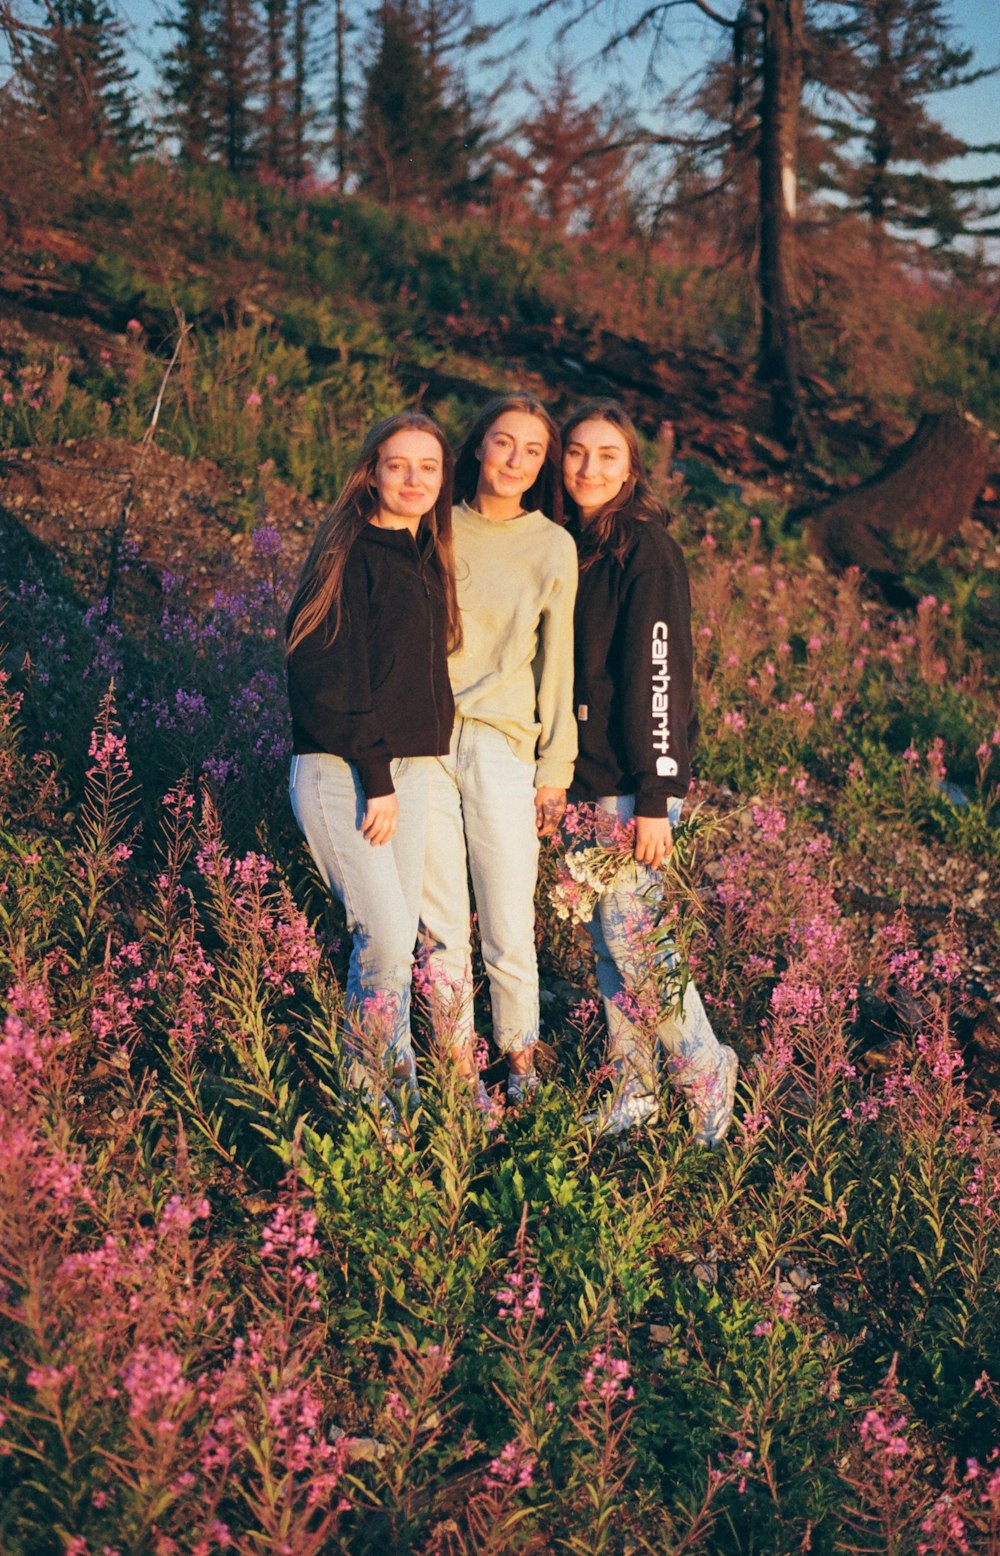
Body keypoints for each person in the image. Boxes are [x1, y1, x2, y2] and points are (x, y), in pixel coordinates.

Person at [560, 400, 737, 1143]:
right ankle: (632, 1093)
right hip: (582, 778)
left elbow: (662, 675)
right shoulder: (571, 542)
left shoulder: (645, 549)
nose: (588, 467)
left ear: (632, 469)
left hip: (633, 786)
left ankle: (706, 1073)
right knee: (610, 949)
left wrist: (658, 796)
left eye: (607, 455)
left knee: (638, 942)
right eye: (576, 452)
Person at [286, 412, 460, 1106]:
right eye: (399, 465)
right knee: (383, 940)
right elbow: (323, 675)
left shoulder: (423, 555)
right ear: (372, 472)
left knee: (394, 945)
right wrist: (378, 777)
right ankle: (371, 1110)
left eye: (429, 467)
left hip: (406, 773)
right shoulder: (350, 550)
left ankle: (402, 1102)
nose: (414, 479)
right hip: (346, 772)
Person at [419, 393, 578, 1106]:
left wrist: (556, 771)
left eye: (532, 450)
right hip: (423, 741)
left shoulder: (552, 545)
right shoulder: (435, 525)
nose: (515, 459)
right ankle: (457, 1076)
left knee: (510, 924)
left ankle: (520, 1069)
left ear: (543, 464)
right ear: (478, 444)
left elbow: (559, 663)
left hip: (504, 747)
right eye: (504, 442)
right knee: (441, 925)